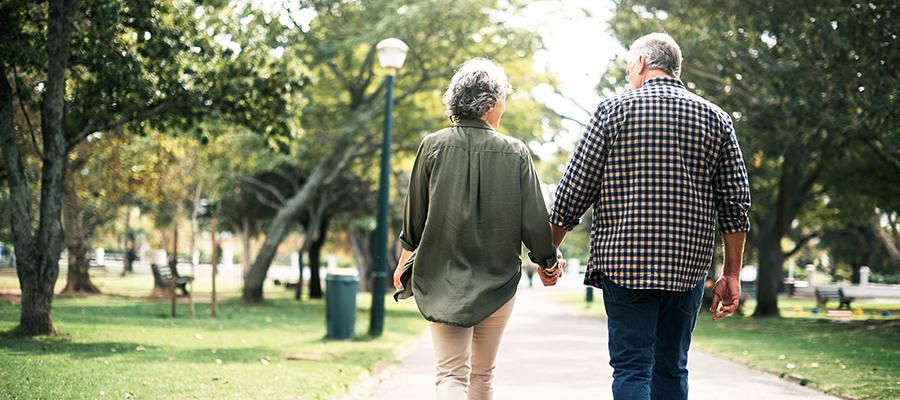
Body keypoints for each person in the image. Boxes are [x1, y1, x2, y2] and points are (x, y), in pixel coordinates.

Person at [548, 33, 751, 400]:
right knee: (672, 368)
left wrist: (548, 253)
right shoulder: (716, 119)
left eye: (629, 64)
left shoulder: (613, 111)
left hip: (625, 263)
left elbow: (573, 192)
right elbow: (735, 205)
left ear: (641, 63)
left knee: (631, 368)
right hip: (686, 266)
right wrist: (732, 273)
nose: (629, 71)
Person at [393, 58, 563, 400]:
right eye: (503, 98)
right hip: (497, 280)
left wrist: (402, 263)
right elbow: (534, 221)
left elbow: (415, 217)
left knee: (450, 376)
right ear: (489, 103)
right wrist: (547, 261)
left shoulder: (433, 145)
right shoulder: (516, 152)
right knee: (482, 377)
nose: (504, 105)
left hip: (440, 277)